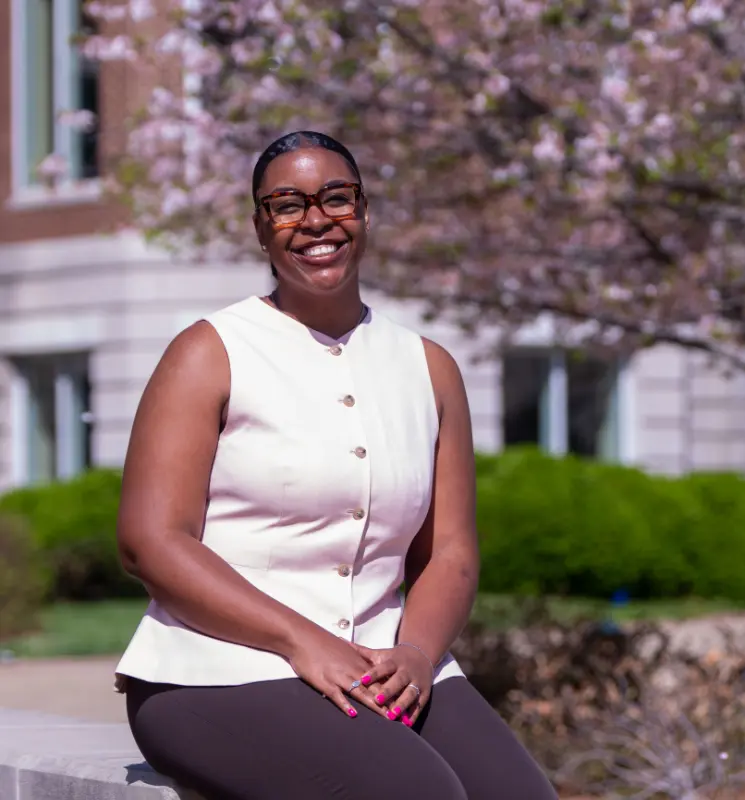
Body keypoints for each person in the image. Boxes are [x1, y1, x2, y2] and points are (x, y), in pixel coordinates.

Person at [114, 130, 558, 800]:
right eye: (287, 205)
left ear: (365, 210)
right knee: (417, 795)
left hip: (386, 661)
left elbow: (451, 553)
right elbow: (151, 543)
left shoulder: (429, 367)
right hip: (217, 670)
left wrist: (416, 653)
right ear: (260, 228)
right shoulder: (209, 353)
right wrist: (301, 641)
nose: (316, 221)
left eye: (336, 199)